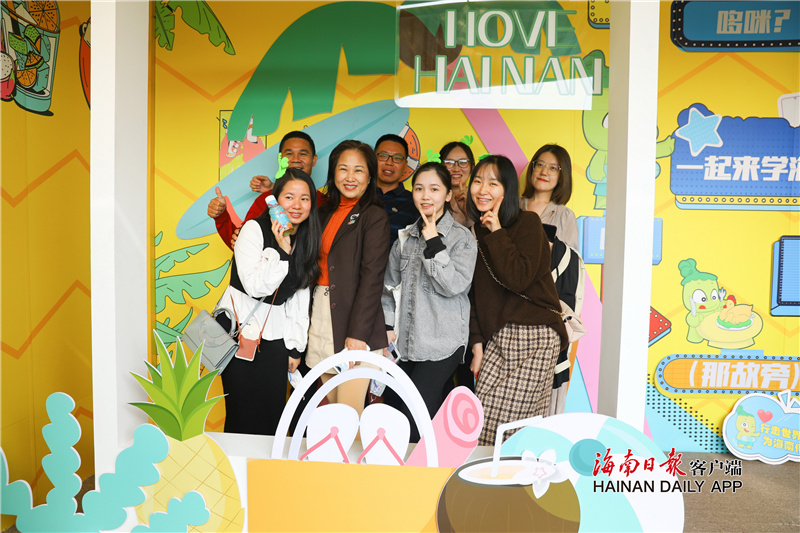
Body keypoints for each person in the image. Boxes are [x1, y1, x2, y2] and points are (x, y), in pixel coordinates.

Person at [467, 155, 568, 446]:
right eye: (477, 181)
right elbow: (473, 294)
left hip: (536, 335)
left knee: (510, 432)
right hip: (498, 338)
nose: (482, 190)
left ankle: (514, 475)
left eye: (493, 183)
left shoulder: (528, 222)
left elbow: (519, 277)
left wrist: (497, 231)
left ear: (507, 190)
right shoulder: (473, 232)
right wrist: (477, 343)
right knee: (482, 425)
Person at [214, 168, 321, 436]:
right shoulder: (254, 229)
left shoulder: (306, 238)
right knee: (241, 416)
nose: (296, 205)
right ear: (274, 200)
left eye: (304, 199)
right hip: (239, 336)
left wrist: (295, 348)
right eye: (289, 197)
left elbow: (299, 298)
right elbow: (255, 286)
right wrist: (282, 253)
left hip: (275, 340)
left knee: (273, 418)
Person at [382, 162, 477, 441]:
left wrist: (434, 242)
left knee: (415, 420)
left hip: (442, 344)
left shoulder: (462, 239)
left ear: (448, 195)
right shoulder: (405, 237)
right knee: (397, 415)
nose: (426, 196)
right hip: (405, 345)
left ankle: (420, 468)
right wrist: (387, 327)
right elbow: (389, 288)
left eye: (434, 189)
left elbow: (454, 285)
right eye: (419, 189)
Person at [305, 140, 390, 419]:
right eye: (343, 169)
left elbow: (372, 277)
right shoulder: (322, 213)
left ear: (370, 176)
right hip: (321, 315)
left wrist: (358, 334)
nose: (350, 177)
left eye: (358, 170)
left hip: (355, 322)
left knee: (348, 415)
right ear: (333, 173)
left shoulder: (374, 216)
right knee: (333, 415)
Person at [208, 130, 321, 249]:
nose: (296, 159)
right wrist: (221, 217)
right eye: (289, 153)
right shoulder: (265, 200)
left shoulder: (325, 202)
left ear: (314, 160)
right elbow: (241, 245)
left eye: (303, 154)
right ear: (280, 158)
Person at [519, 144, 579, 250]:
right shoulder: (512, 205)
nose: (544, 172)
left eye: (553, 168)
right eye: (540, 165)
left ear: (562, 176)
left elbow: (571, 257)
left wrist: (551, 247)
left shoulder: (565, 215)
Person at [374, 134, 417, 245]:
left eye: (397, 158)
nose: (389, 162)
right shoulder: (359, 194)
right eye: (383, 155)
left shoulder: (414, 203)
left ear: (405, 165)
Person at [439, 140, 476, 229]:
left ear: (472, 167)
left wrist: (468, 213)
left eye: (463, 162)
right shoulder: (432, 197)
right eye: (449, 163)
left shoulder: (480, 197)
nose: (456, 169)